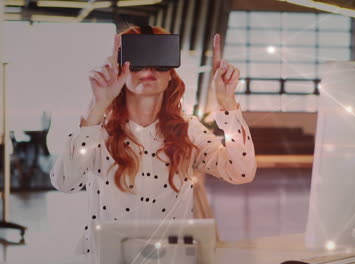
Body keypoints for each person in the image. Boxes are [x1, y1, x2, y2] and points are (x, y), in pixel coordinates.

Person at [49, 26, 257, 260]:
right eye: (136, 62)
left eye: (159, 62)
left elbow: (241, 172)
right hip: (110, 256)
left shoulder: (188, 129)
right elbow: (65, 182)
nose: (148, 70)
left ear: (171, 74)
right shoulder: (97, 130)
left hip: (171, 256)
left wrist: (227, 104)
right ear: (120, 70)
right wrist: (97, 108)